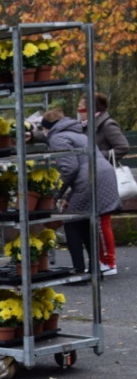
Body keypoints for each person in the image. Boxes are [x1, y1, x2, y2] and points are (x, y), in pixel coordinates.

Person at [41, 108, 120, 277]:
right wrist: (69, 196)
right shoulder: (79, 134)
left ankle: (79, 272)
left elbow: (70, 169)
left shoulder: (57, 137)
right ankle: (95, 269)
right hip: (103, 175)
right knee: (84, 222)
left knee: (72, 223)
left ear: (48, 127)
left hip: (91, 179)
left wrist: (56, 194)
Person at [78, 93, 128, 277]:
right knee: (96, 221)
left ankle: (109, 261)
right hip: (93, 177)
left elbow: (123, 147)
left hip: (103, 178)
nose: (79, 112)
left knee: (102, 220)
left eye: (81, 108)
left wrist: (99, 156)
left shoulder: (107, 125)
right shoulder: (86, 126)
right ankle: (101, 260)